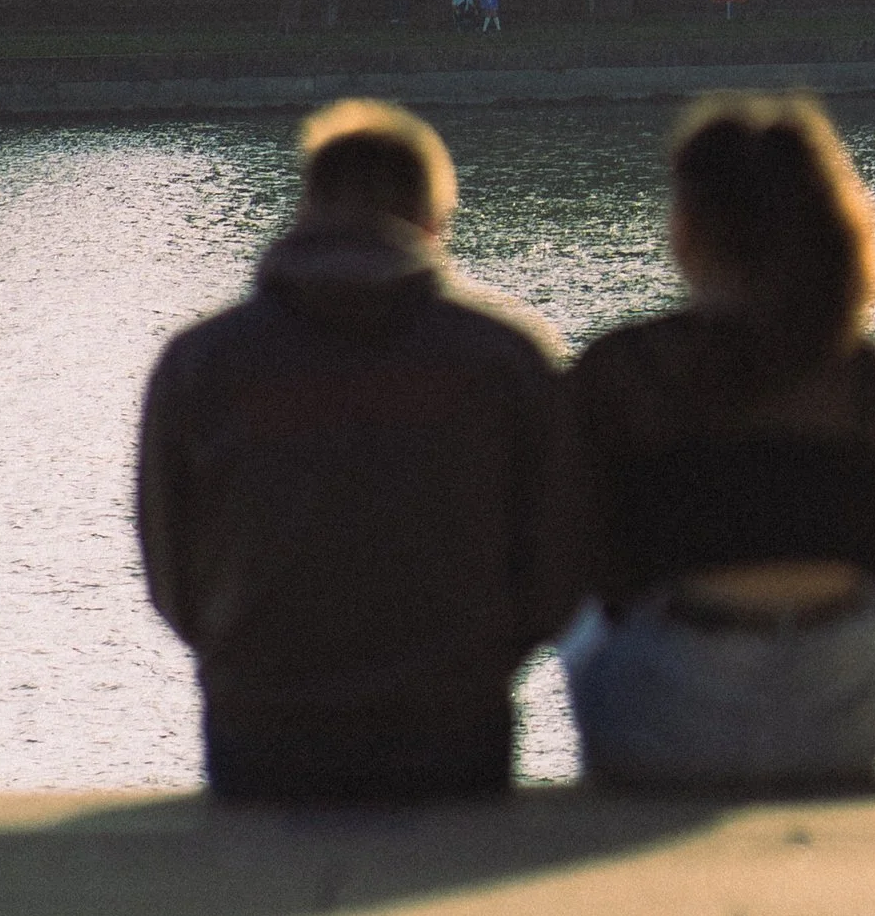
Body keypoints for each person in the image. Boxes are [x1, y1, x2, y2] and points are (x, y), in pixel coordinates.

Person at [562, 93, 875, 792]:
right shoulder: (868, 381)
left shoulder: (623, 370)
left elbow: (567, 570)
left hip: (663, 732)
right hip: (839, 728)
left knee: (579, 630)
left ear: (689, 228)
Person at [136, 97, 582, 805]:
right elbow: (559, 563)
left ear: (307, 206)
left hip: (261, 725)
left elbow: (172, 573)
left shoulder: (201, 364)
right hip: (454, 726)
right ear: (433, 221)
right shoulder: (507, 357)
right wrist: (482, 663)